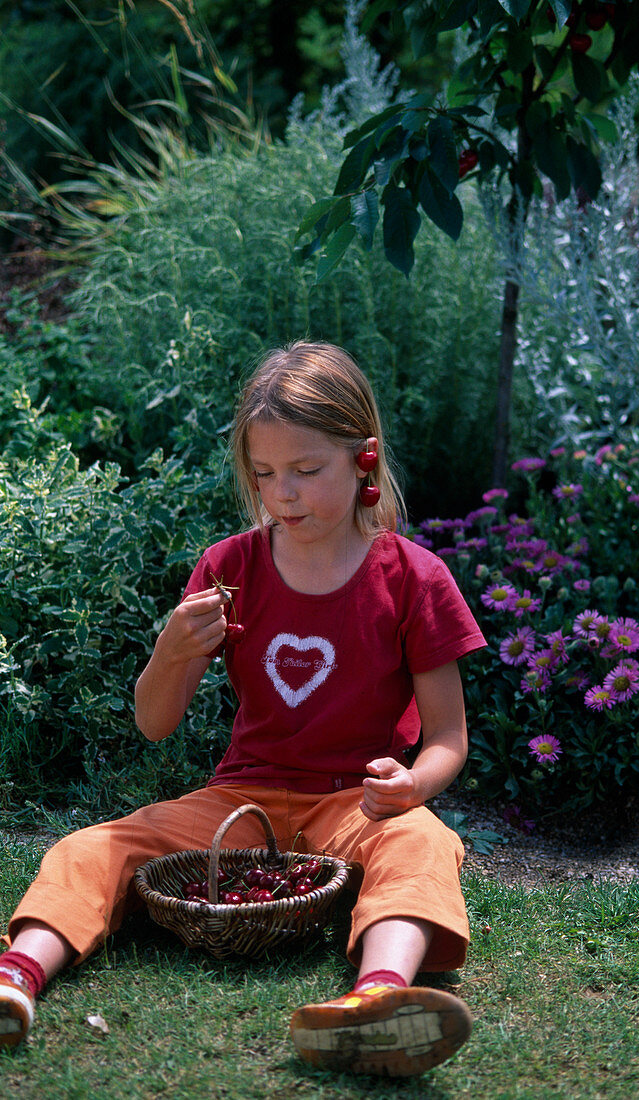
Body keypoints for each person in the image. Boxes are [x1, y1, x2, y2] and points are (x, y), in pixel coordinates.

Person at [0, 341, 486, 1076]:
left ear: (363, 457)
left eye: (304, 471)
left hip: (357, 804)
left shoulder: (415, 578)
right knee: (89, 847)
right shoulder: (230, 568)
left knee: (421, 843)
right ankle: (17, 978)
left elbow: (447, 736)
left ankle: (377, 1001)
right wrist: (171, 649)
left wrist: (413, 787)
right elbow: (154, 723)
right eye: (263, 475)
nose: (282, 494)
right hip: (241, 799)